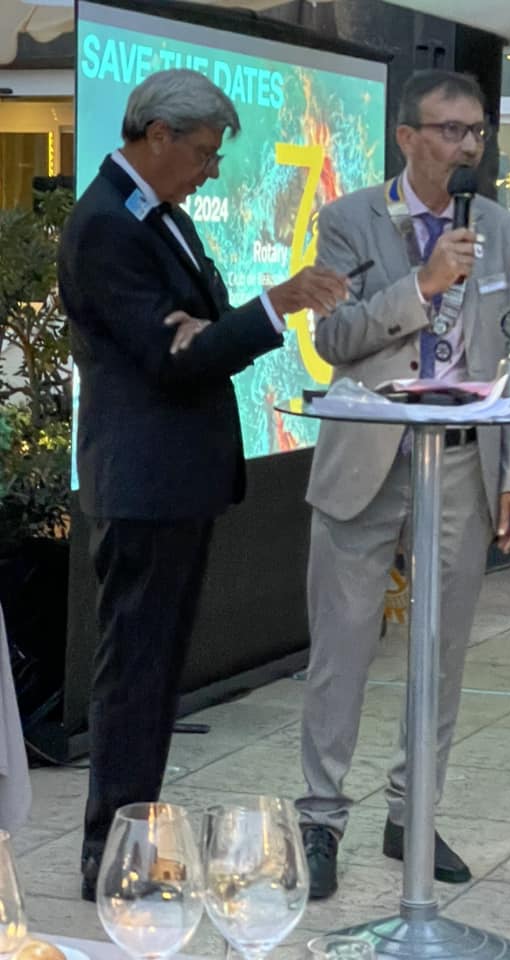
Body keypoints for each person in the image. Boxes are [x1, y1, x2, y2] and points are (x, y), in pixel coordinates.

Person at [57, 69, 348, 901]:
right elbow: (172, 356)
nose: (213, 170)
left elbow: (202, 327)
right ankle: (111, 855)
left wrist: (206, 332)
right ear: (158, 135)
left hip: (178, 480)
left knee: (156, 674)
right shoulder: (106, 225)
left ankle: (138, 838)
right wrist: (275, 304)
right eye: (206, 153)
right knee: (134, 676)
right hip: (143, 483)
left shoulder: (164, 215)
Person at [295, 69, 510, 899]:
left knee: (442, 653)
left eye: (477, 132)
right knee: (343, 648)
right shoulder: (347, 218)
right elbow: (333, 338)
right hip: (368, 455)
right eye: (450, 130)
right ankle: (321, 818)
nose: (467, 146)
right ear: (407, 137)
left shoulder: (498, 227)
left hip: (464, 462)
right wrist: (424, 284)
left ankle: (414, 813)